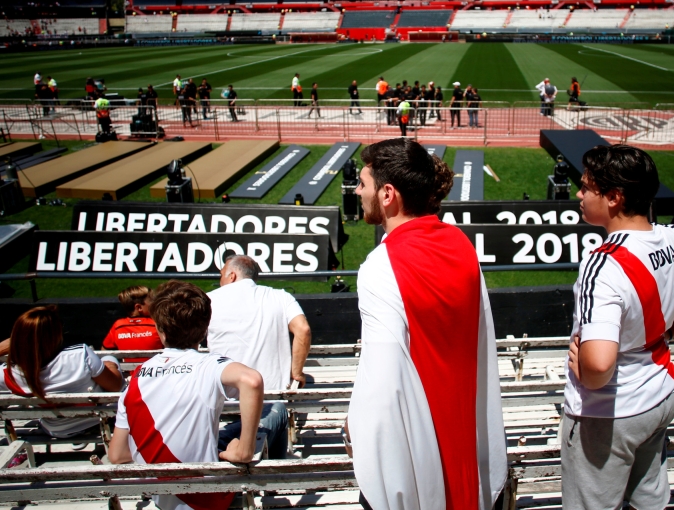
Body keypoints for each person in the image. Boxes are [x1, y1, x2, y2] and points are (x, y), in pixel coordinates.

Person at [563, 145, 674, 510]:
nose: (578, 195)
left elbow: (597, 367)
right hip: (660, 394)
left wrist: (583, 369)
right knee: (649, 499)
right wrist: (667, 332)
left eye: (585, 187)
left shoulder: (603, 265)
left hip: (610, 413)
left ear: (613, 197)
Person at [348, 138, 507, 510]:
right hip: (466, 441)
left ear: (388, 194)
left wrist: (355, 425)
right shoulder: (460, 244)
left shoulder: (379, 266)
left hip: (415, 463)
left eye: (363, 184)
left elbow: (383, 383)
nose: (357, 191)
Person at [108, 282, 266, 510]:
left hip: (163, 497)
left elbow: (118, 455)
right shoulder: (209, 365)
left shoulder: (136, 379)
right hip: (208, 497)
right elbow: (252, 381)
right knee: (275, 414)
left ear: (160, 330)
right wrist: (243, 450)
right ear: (205, 329)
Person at [0, 305, 124, 438]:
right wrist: (110, 362)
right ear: (55, 334)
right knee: (109, 359)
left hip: (57, 431)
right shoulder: (80, 355)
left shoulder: (9, 373)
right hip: (100, 422)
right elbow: (115, 386)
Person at [208, 255, 312, 457]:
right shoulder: (280, 297)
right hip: (269, 399)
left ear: (231, 275)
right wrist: (297, 373)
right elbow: (303, 329)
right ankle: (273, 476)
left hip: (222, 400)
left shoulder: (209, 300)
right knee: (278, 412)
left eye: (221, 274)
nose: (220, 279)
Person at [102, 286, 163, 363]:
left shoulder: (118, 326)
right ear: (139, 307)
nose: (155, 304)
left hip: (129, 373)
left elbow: (104, 352)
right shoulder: (157, 323)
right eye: (151, 301)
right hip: (156, 372)